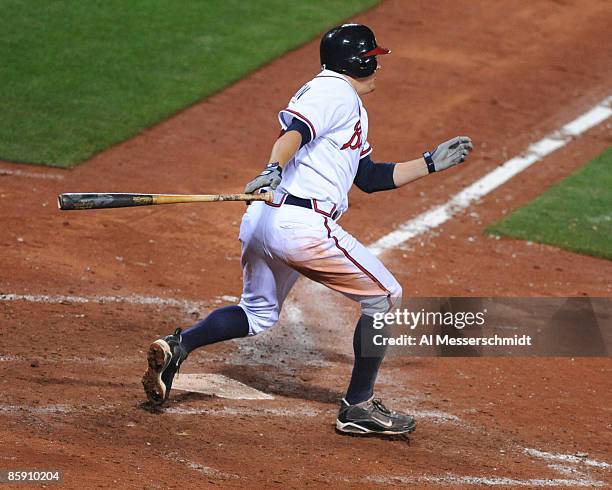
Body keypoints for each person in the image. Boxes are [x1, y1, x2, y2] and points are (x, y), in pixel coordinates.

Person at [142, 24, 473, 435]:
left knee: (257, 313)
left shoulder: (343, 100)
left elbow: (368, 176)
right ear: (355, 63)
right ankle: (357, 407)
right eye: (372, 60)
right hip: (300, 225)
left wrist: (428, 163)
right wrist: (273, 168)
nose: (377, 68)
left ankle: (180, 346)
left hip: (265, 219)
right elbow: (293, 134)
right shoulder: (333, 92)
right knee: (385, 297)